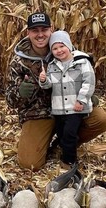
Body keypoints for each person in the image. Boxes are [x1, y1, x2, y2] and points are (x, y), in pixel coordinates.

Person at [5, 12, 106, 171]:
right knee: (30, 164)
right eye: (35, 30)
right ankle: (46, 143)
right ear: (28, 32)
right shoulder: (19, 61)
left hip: (69, 108)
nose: (40, 34)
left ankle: (62, 145)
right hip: (39, 114)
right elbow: (10, 101)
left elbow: (87, 76)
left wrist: (88, 95)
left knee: (101, 120)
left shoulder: (65, 50)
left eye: (44, 29)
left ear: (51, 30)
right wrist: (20, 93)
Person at [39, 30, 95, 167]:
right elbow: (49, 86)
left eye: (62, 46)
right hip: (59, 108)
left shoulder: (82, 62)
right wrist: (44, 80)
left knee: (70, 134)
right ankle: (60, 151)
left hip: (75, 107)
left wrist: (81, 100)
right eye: (55, 48)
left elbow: (89, 82)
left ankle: (69, 161)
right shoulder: (52, 65)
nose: (59, 51)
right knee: (61, 133)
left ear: (69, 46)